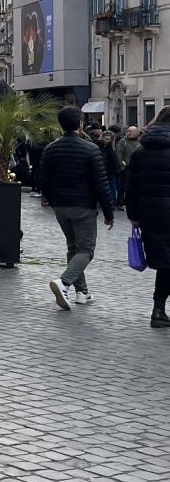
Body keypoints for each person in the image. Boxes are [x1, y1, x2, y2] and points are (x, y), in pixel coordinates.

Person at [40, 105, 115, 309]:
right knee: (86, 250)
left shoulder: (50, 148)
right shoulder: (91, 149)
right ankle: (64, 282)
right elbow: (101, 183)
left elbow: (43, 180)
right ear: (80, 124)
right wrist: (109, 213)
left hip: (61, 206)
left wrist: (52, 200)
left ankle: (82, 292)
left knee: (73, 247)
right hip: (83, 205)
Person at [125, 108, 170, 327]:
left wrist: (133, 215)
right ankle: (159, 310)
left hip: (151, 214)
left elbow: (130, 187)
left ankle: (159, 309)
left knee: (165, 262)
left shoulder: (140, 151)